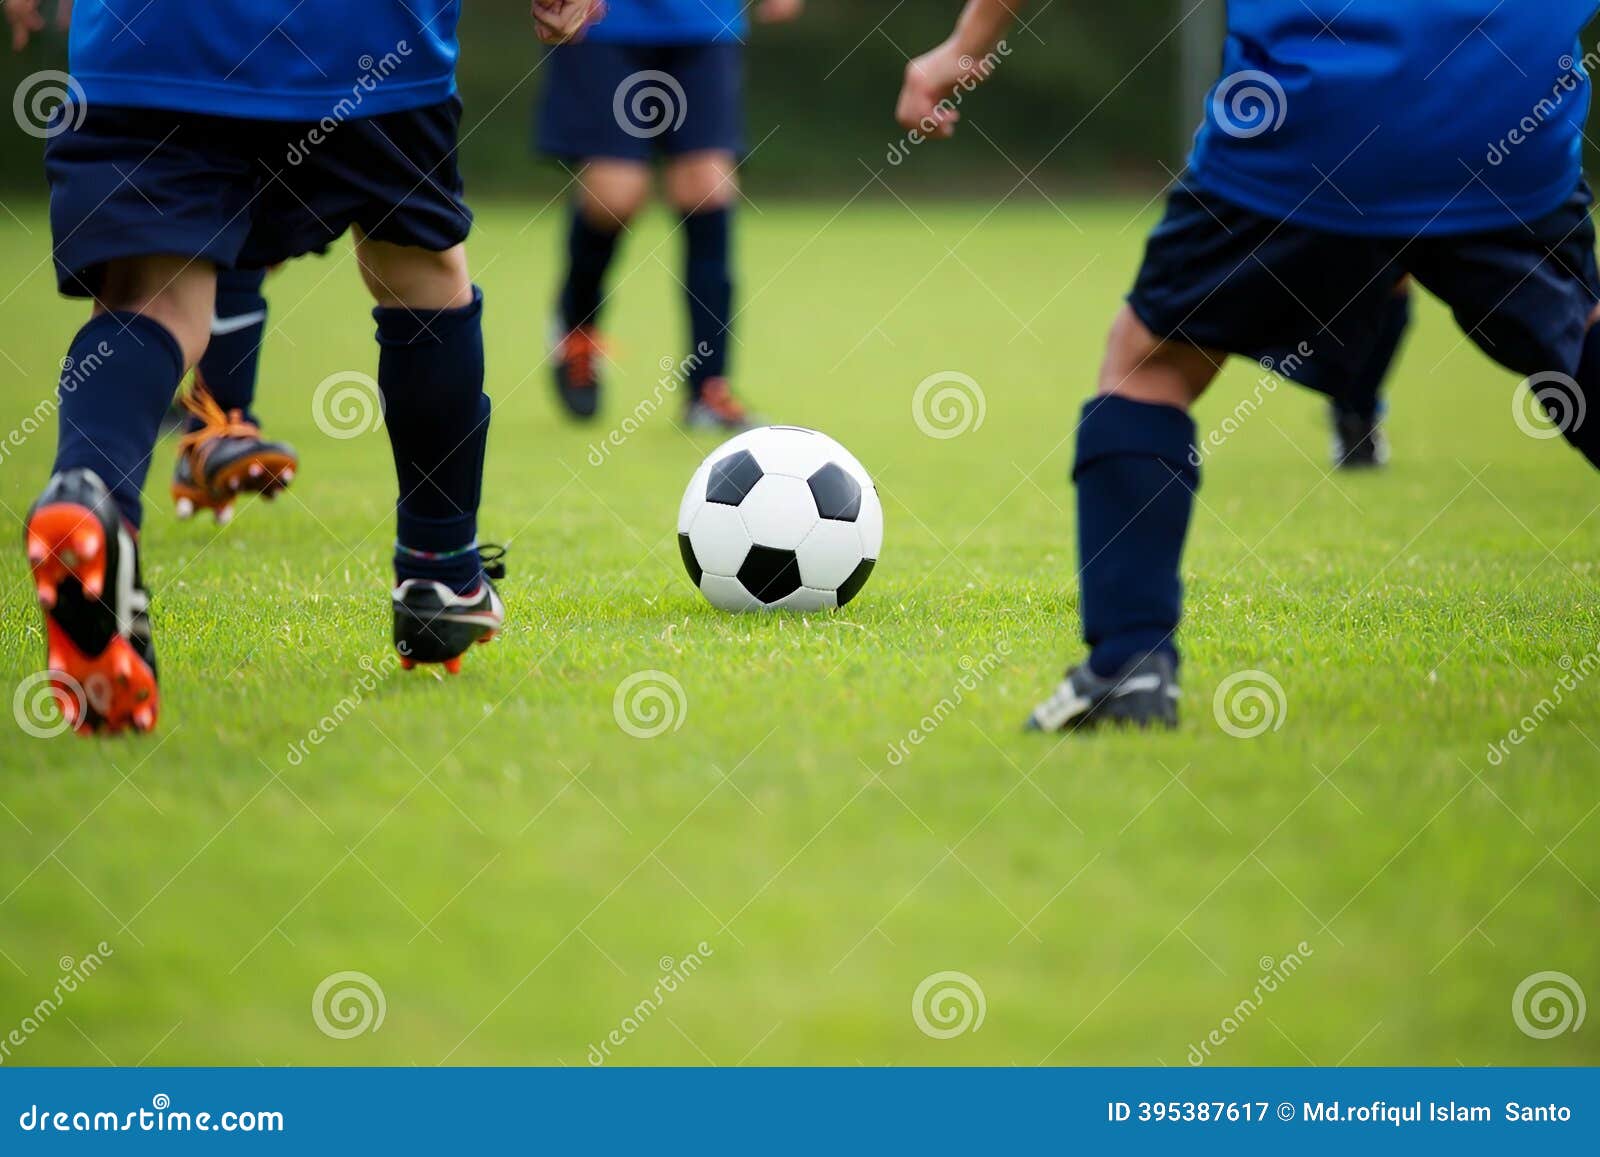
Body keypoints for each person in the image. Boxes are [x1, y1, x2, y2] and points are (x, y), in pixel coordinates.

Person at [895, 0, 1600, 731]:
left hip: (1311, 119)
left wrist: (962, 47)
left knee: (1150, 365)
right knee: (1578, 344)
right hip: (1511, 115)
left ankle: (1128, 671)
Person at [8, 0, 600, 735]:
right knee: (420, 274)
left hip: (149, 40)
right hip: (362, 40)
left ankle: (89, 493)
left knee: (153, 302)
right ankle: (439, 570)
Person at [538, 0, 804, 430]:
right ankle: (575, 332)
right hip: (603, 21)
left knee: (710, 189)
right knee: (616, 196)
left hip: (704, 20)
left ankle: (707, 389)